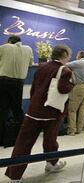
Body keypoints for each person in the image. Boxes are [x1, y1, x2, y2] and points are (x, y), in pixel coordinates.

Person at [5, 44, 73, 182]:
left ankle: (15, 175)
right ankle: (51, 163)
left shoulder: (42, 66)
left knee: (23, 143)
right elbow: (63, 89)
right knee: (50, 140)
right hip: (52, 112)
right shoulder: (65, 70)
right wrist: (72, 84)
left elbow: (34, 88)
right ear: (64, 55)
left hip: (34, 110)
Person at [0, 36, 33, 146]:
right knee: (17, 110)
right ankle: (19, 137)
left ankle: (1, 138)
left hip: (3, 81)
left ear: (9, 41)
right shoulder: (28, 49)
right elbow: (30, 64)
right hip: (19, 82)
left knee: (2, 109)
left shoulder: (4, 47)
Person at [66, 51, 84, 135]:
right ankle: (79, 129)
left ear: (79, 56)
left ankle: (71, 130)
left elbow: (63, 65)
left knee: (72, 109)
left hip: (79, 86)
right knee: (83, 109)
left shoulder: (76, 63)